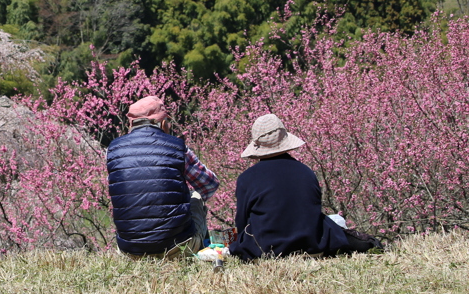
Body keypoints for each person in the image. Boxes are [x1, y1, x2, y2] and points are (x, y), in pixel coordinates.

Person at [231, 113, 380, 260]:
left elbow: (242, 222)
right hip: (311, 245)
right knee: (335, 220)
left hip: (264, 249)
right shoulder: (306, 172)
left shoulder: (247, 178)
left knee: (231, 236)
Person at [106, 96, 219, 258]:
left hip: (130, 251)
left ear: (131, 124)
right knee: (195, 195)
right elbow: (210, 184)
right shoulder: (177, 146)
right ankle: (201, 249)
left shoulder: (113, 150)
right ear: (162, 123)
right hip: (178, 247)